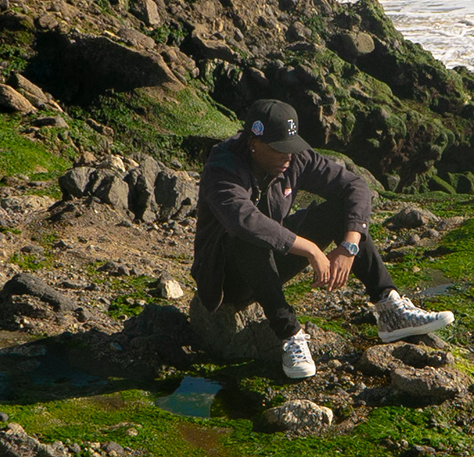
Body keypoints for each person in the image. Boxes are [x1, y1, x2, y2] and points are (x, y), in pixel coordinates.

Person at [191, 98, 454, 379]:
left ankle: (389, 309)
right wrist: (312, 250)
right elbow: (244, 221)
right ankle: (289, 334)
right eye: (280, 148)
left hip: (272, 261)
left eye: (291, 146)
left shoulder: (294, 157)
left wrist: (349, 246)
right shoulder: (222, 167)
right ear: (254, 143)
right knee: (249, 237)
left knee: (342, 212)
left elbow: (354, 186)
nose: (288, 156)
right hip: (227, 279)